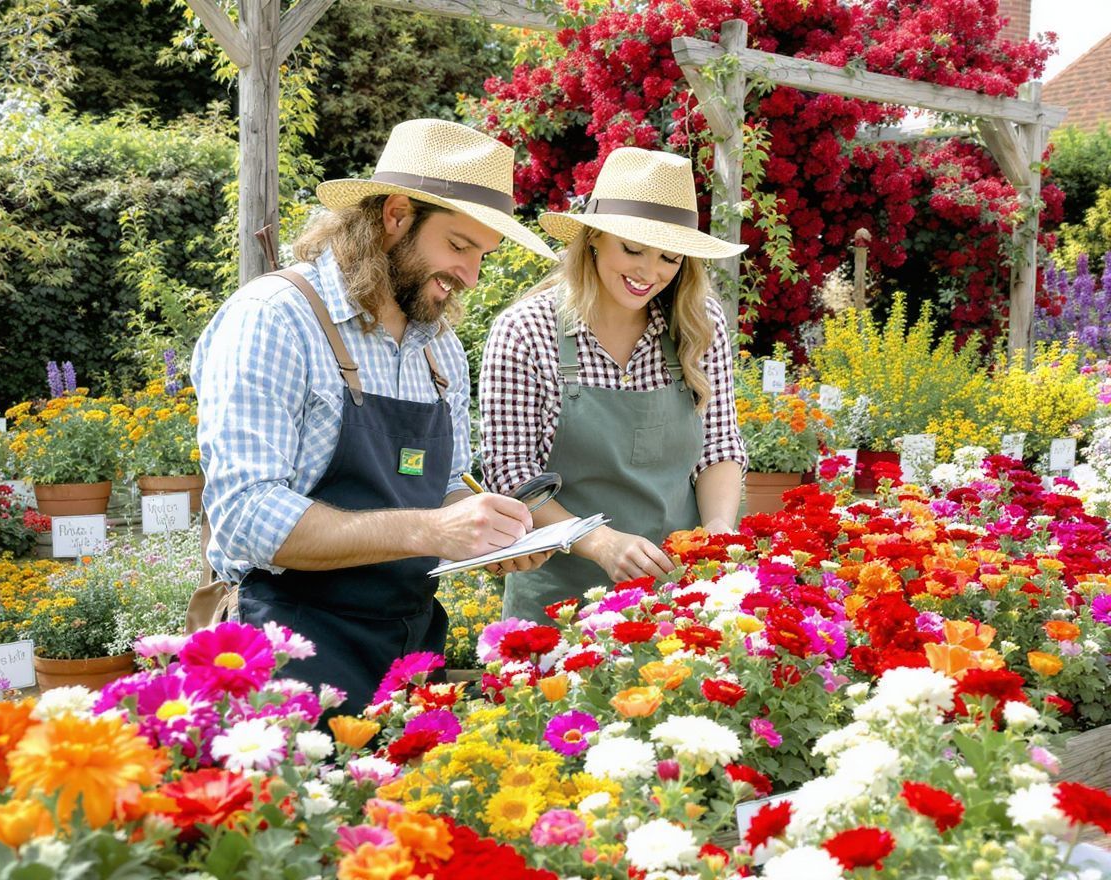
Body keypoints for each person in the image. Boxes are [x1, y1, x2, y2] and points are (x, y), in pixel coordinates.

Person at [191, 119, 557, 712]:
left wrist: (491, 536)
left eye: (483, 255)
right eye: (460, 246)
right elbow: (246, 518)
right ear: (394, 216)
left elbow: (442, 494)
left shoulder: (439, 349)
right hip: (289, 652)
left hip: (409, 645)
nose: (471, 275)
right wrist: (430, 530)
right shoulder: (275, 318)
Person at [478, 146, 749, 622]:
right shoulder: (526, 330)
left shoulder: (697, 324)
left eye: (669, 257)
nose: (650, 273)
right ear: (594, 238)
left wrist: (721, 530)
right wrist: (600, 542)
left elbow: (719, 446)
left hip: (673, 592)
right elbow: (512, 477)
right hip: (558, 602)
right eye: (633, 248)